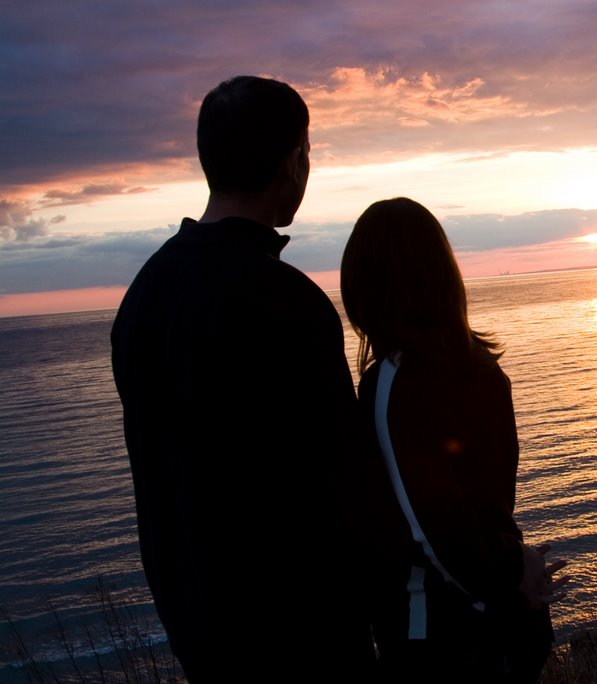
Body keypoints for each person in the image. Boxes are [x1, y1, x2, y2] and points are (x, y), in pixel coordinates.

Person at [111, 76, 374, 681]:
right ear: (293, 162)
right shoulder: (287, 301)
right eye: (307, 152)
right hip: (302, 639)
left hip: (200, 635)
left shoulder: (142, 298)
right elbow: (346, 482)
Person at [341, 197, 568, 682]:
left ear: (366, 287)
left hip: (442, 636)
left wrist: (509, 576)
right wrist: (516, 567)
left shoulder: (393, 383)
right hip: (503, 621)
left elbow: (432, 528)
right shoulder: (485, 370)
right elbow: (482, 509)